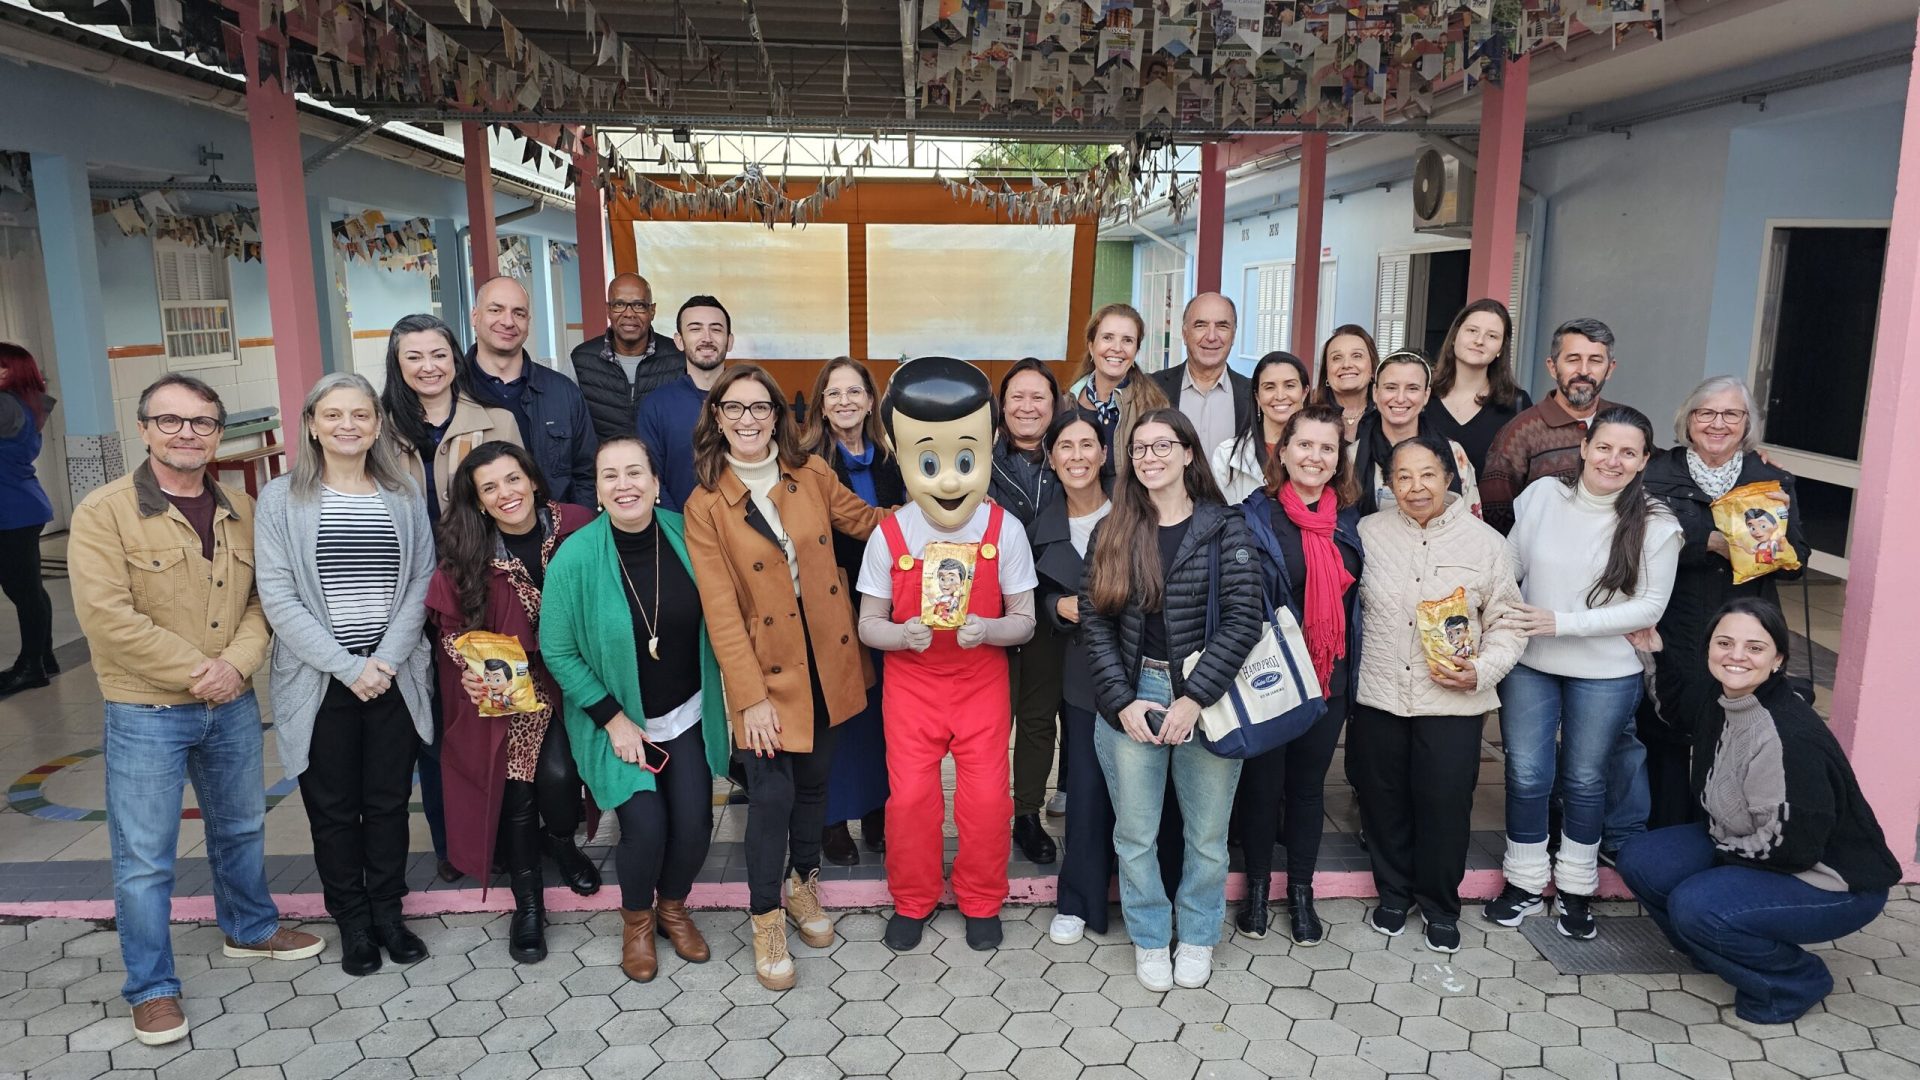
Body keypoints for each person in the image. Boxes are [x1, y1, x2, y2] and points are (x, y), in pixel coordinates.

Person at [69, 374, 323, 1046]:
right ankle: (150, 988)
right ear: (145, 428)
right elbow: (105, 617)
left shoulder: (241, 506)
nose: (188, 433)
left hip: (231, 703)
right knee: (145, 858)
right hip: (147, 708)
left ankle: (250, 927)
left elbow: (263, 602)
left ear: (219, 433)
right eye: (172, 421)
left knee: (239, 829)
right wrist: (197, 672)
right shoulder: (105, 512)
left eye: (202, 423)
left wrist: (233, 667)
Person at [683, 364, 886, 989]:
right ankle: (766, 916)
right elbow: (720, 612)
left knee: (816, 785)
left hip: (828, 657)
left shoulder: (812, 473)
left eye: (760, 407)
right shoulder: (706, 504)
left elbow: (870, 523)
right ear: (717, 417)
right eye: (734, 408)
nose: (748, 419)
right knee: (770, 797)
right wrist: (749, 699)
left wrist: (947, 517)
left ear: (778, 414)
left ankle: (804, 887)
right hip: (766, 672)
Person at [1616, 599, 1899, 1025]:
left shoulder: (1787, 734)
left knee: (1696, 904)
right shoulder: (1724, 698)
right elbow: (1674, 709)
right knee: (1644, 859)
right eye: (1724, 642)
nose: (1736, 656)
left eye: (1754, 647)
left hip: (1830, 880)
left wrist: (1710, 874)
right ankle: (1716, 948)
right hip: (1752, 844)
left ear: (1778, 659)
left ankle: (1793, 980)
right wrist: (1651, 649)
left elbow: (1793, 847)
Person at [254, 373, 436, 978]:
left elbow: (420, 582)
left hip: (392, 675)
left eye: (360, 415)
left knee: (387, 804)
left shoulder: (404, 493)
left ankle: (389, 912)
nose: (347, 426)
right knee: (331, 809)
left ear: (378, 424)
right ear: (311, 424)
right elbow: (278, 598)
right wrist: (348, 667)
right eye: (333, 416)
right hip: (320, 681)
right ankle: (352, 921)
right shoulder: (281, 498)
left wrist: (381, 662)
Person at [1079, 408, 1265, 991]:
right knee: (1135, 834)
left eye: (1164, 445)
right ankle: (1152, 937)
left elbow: (1243, 619)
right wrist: (1122, 702)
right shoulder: (1114, 528)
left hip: (1207, 695)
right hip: (1135, 693)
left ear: (1189, 453)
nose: (1150, 456)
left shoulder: (1224, 527)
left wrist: (1194, 699)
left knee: (1207, 835)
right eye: (1139, 449)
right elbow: (1093, 621)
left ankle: (1201, 934)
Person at [859, 356, 1038, 954]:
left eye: (965, 462)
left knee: (987, 800)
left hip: (980, 685)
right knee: (910, 801)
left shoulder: (1004, 530)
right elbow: (868, 626)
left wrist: (989, 629)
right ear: (903, 456)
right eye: (929, 463)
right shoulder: (891, 534)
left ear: (988, 447)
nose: (949, 480)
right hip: (911, 690)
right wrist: (900, 634)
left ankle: (982, 898)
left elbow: (1026, 621)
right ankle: (912, 899)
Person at [1484, 406, 1680, 939]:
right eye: (1605, 447)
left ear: (1643, 461)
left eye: (1628, 452)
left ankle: (1575, 887)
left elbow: (1648, 608)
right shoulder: (1544, 496)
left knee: (1586, 778)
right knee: (1527, 773)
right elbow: (1510, 564)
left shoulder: (1658, 523)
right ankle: (1523, 880)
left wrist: (1560, 622)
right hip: (1531, 663)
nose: (1613, 460)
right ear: (1586, 446)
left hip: (1606, 672)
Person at [542, 437, 730, 983]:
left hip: (687, 712)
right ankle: (637, 923)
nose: (624, 484)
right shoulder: (575, 557)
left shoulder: (686, 536)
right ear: (597, 491)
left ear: (653, 481)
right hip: (616, 722)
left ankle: (673, 907)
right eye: (610, 476)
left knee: (695, 826)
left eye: (634, 473)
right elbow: (557, 650)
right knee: (645, 828)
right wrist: (612, 720)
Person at [1351, 435, 1526, 953]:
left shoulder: (1486, 543)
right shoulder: (1367, 533)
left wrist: (1482, 671)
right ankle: (1393, 893)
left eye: (1427, 474)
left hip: (1453, 701)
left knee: (1445, 805)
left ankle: (1440, 905)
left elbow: (1508, 623)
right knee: (1383, 802)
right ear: (1388, 484)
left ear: (1449, 478)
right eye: (1402, 476)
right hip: (1379, 695)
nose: (1415, 486)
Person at [426, 442, 598, 963]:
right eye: (490, 487)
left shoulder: (577, 523)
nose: (506, 494)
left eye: (513, 479)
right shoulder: (469, 549)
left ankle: (563, 842)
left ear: (534, 479)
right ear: (477, 501)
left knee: (564, 777)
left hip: (577, 676)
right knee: (518, 795)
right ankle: (529, 906)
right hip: (513, 685)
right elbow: (450, 630)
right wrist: (471, 675)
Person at [377, 313, 524, 883]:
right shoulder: (380, 431)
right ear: (397, 364)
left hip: (483, 590)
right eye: (413, 356)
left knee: (499, 709)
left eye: (438, 353)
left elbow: (517, 501)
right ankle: (452, 842)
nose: (427, 366)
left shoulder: (496, 421)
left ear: (454, 357)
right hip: (406, 594)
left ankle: (514, 834)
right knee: (434, 722)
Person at [1640, 378, 1807, 828]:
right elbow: (1632, 545)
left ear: (1746, 423)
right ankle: (1667, 833)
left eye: (1731, 414)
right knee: (1668, 724)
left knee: (1737, 727)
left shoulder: (1771, 478)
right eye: (1706, 413)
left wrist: (1768, 549)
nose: (1718, 424)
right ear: (1688, 420)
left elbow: (1798, 563)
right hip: (1674, 622)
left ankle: (1729, 829)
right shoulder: (1656, 474)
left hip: (1744, 626)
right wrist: (1708, 543)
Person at [1232, 403, 1362, 945]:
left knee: (1308, 790)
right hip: (1272, 676)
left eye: (1326, 448)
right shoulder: (1252, 515)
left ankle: (1302, 893)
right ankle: (1259, 891)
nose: (1315, 456)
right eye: (1304, 445)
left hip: (1328, 674)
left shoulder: (1351, 521)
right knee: (1263, 787)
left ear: (1338, 459)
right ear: (1282, 452)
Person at [804, 356, 901, 866]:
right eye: (833, 392)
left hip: (889, 607)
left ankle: (878, 810)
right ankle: (832, 818)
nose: (844, 401)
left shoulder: (893, 458)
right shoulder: (806, 463)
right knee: (840, 715)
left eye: (854, 391)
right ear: (821, 404)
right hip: (834, 608)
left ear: (870, 400)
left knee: (884, 715)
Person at [1030, 409, 1116, 945]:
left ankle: (1146, 892)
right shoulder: (1040, 529)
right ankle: (1079, 897)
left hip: (1144, 672)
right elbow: (1024, 592)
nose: (1078, 455)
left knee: (1145, 792)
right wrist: (1053, 605)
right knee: (1084, 787)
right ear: (1052, 457)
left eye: (1088, 445)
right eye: (1067, 446)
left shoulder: (1136, 511)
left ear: (1105, 454)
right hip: (1083, 673)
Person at [992, 357, 1065, 864]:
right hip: (990, 616)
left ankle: (1027, 814)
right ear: (1002, 404)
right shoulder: (977, 460)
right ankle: (987, 814)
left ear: (1054, 406)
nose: (1028, 406)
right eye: (1018, 396)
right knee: (991, 724)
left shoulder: (1072, 457)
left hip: (1051, 614)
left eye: (1038, 397)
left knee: (1038, 722)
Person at [1479, 317, 1620, 534]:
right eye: (1573, 359)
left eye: (1595, 360)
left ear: (1610, 369)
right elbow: (1494, 521)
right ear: (1552, 367)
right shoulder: (1519, 433)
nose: (1584, 370)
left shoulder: (1625, 424)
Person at [465, 276, 598, 504]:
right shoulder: (452, 391)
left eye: (518, 313)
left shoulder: (563, 392)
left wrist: (574, 529)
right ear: (475, 316)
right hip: (475, 536)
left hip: (558, 534)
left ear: (528, 321)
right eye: (496, 310)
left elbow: (588, 474)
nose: (508, 322)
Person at [1349, 351, 1481, 517]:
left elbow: (1472, 524)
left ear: (1426, 395)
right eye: (1391, 387)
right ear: (1375, 392)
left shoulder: (1453, 453)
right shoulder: (1351, 457)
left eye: (1412, 388)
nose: (1400, 398)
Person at [637, 295, 733, 511]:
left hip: (747, 532)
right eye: (695, 329)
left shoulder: (754, 400)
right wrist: (679, 529)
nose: (707, 338)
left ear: (730, 340)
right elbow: (652, 479)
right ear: (679, 341)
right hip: (680, 531)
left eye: (716, 329)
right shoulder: (657, 405)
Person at [0, 343, 56, 695]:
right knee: (29, 589)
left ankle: (31, 666)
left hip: (12, 511)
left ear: (13, 370)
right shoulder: (26, 400)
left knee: (23, 590)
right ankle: (43, 656)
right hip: (20, 506)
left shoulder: (4, 404)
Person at [569, 273, 686, 441]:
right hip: (602, 466)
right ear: (608, 310)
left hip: (664, 466)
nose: (629, 314)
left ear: (652, 311)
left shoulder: (679, 358)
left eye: (638, 305)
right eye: (619, 304)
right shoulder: (579, 361)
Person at [1425, 299, 1534, 477]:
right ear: (1454, 337)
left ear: (1500, 348)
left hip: (1492, 505)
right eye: (1472, 331)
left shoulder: (1517, 403)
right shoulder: (1423, 395)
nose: (1479, 341)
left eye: (1492, 336)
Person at [1069, 303, 1170, 471]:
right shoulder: (1067, 404)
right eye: (1107, 337)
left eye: (1127, 340)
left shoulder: (1155, 406)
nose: (1117, 348)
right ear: (1091, 346)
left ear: (1136, 351)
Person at [1151, 293, 1253, 454]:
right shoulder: (1152, 387)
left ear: (1233, 335)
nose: (1211, 337)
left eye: (1222, 326)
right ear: (1184, 334)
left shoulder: (1255, 395)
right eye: (1200, 325)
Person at [1210, 350, 1309, 505]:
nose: (1280, 395)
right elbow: (1222, 519)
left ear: (1304, 392)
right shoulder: (1227, 455)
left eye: (1289, 385)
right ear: (1257, 396)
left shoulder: (1323, 452)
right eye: (1269, 387)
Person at [1312, 325, 1379, 440]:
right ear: (1326, 371)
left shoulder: (1387, 418)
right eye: (1337, 358)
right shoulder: (1309, 418)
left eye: (1357, 356)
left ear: (1373, 369)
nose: (1346, 365)